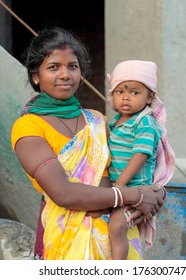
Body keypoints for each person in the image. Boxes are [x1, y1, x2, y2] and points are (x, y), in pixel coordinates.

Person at [10, 27, 166, 260]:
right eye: (54, 67)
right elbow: (63, 193)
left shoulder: (98, 120)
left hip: (118, 238)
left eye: (72, 66)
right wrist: (132, 195)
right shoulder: (29, 127)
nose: (65, 75)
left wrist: (156, 193)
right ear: (36, 76)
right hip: (66, 238)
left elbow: (140, 165)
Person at [105, 60, 175, 259]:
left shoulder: (144, 122)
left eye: (135, 93)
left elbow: (140, 155)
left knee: (117, 226)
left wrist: (119, 185)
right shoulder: (116, 122)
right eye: (120, 92)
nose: (126, 98)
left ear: (149, 96)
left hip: (135, 189)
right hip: (119, 189)